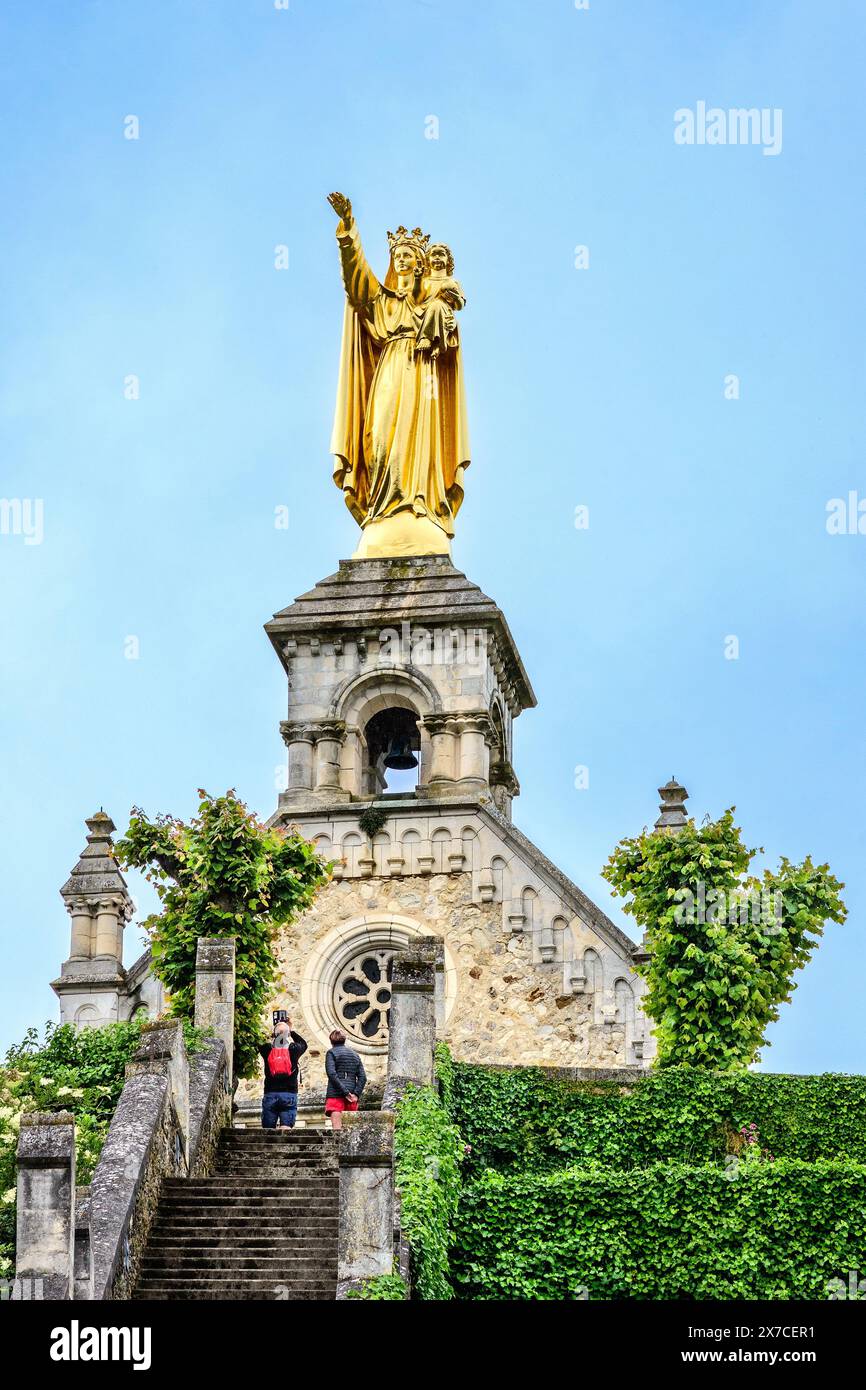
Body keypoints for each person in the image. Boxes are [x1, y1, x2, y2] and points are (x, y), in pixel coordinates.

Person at [259, 1018, 307, 1129]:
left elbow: (259, 1042)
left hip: (270, 1093)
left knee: (268, 1129)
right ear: (287, 1034)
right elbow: (303, 1044)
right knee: (286, 1128)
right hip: (289, 1094)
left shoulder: (267, 1050)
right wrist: (291, 1030)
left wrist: (273, 1034)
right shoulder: (294, 1049)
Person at [324, 1028, 367, 1130]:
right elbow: (363, 1077)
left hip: (335, 1095)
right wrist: (356, 1094)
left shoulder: (331, 1053)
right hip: (352, 1096)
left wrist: (345, 1092)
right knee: (350, 1132)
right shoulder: (355, 1055)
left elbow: (332, 1074)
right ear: (344, 1040)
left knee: (337, 1131)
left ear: (331, 1041)